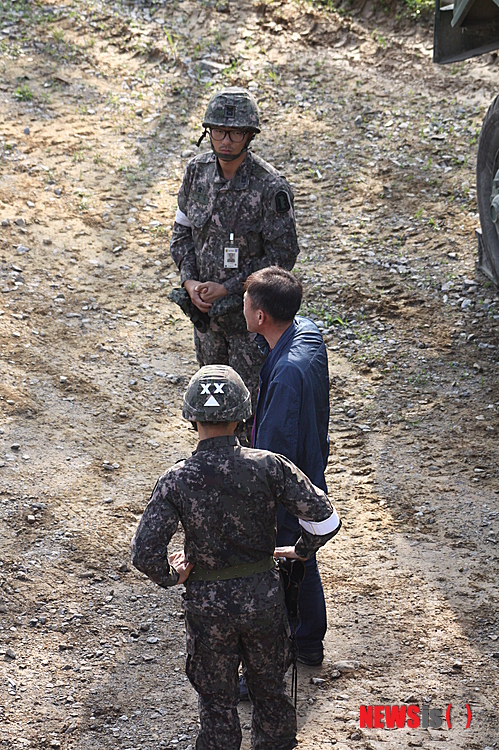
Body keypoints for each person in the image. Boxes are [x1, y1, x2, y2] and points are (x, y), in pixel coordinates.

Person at [131, 365, 341, 750]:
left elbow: (144, 553)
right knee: (271, 694)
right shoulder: (269, 466)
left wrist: (172, 575)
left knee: (216, 705)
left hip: (207, 609)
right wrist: (300, 551)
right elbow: (325, 519)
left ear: (191, 417)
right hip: (264, 601)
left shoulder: (176, 479)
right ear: (243, 416)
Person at [169, 87, 299, 415]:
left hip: (250, 323)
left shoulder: (270, 186)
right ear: (208, 133)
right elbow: (181, 233)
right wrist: (189, 282)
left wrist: (229, 287)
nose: (226, 140)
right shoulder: (196, 173)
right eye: (219, 131)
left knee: (251, 409)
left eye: (236, 133)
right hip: (206, 318)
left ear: (249, 136)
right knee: (210, 408)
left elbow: (283, 256)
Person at [243, 267, 331, 667]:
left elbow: (274, 457)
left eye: (246, 303)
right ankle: (308, 640)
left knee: (289, 555)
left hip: (291, 478)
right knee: (300, 552)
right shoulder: (306, 332)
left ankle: (298, 642)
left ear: (260, 315)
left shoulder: (285, 376)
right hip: (311, 461)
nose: (243, 308)